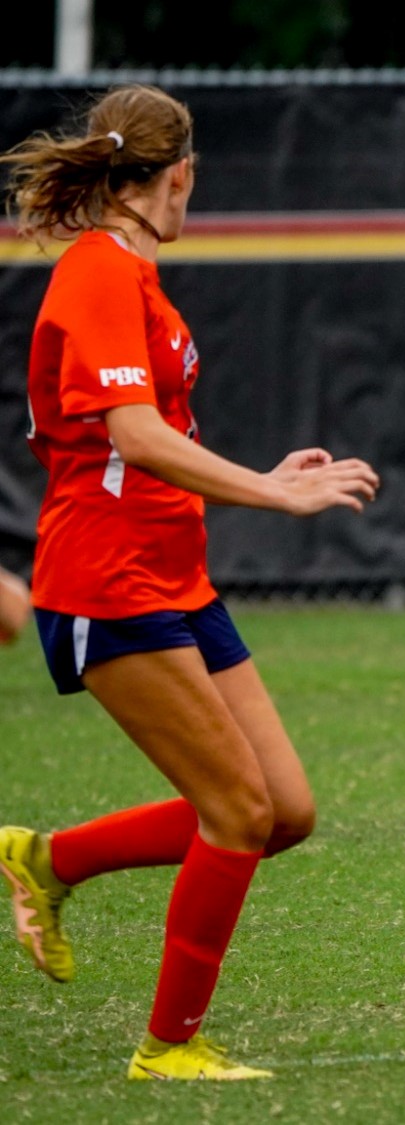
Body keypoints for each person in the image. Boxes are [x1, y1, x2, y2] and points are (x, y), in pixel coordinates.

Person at [0, 85, 379, 1080]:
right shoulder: (96, 273)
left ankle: (49, 859)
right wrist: (268, 492)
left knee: (281, 812)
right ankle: (169, 1048)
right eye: (192, 182)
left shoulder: (137, 277)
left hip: (174, 578)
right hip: (105, 581)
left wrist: (264, 476)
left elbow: (149, 437)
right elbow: (130, 437)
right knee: (236, 814)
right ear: (179, 176)